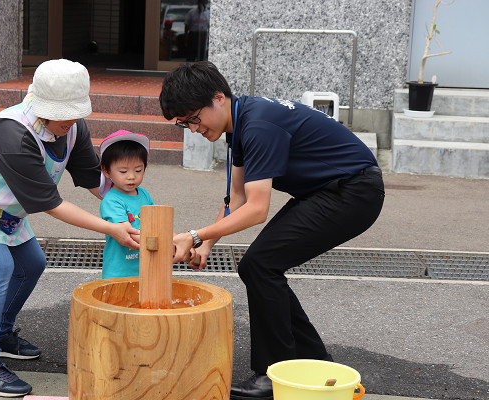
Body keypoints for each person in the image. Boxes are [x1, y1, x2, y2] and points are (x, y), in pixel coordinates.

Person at [159, 61, 385, 400]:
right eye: (183, 123)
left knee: (260, 264)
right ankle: (313, 363)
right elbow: (236, 197)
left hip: (353, 192)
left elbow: (257, 209)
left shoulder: (259, 125)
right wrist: (207, 243)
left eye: (193, 118)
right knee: (261, 266)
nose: (192, 129)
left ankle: (272, 373)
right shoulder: (240, 122)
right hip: (329, 191)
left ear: (218, 98)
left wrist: (193, 235)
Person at [0, 59, 140, 397]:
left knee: (32, 264)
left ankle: (0, 333)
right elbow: (51, 204)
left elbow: (91, 179)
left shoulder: (73, 128)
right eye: (63, 113)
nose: (70, 120)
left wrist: (135, 209)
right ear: (42, 105)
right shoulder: (12, 133)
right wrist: (112, 229)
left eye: (75, 112)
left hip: (4, 205)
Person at [99, 130, 154, 278]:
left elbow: (157, 223)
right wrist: (168, 245)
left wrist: (177, 239)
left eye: (138, 170)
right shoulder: (111, 201)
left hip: (146, 269)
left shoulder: (144, 194)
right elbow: (127, 233)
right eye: (123, 171)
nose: (131, 177)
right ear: (106, 170)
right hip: (119, 272)